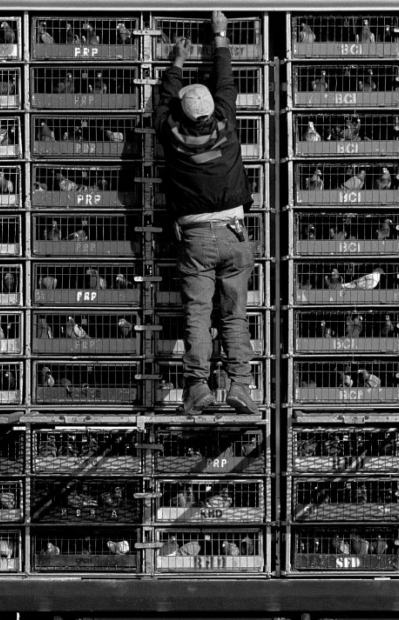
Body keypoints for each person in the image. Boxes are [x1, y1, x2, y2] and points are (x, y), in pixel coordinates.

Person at [155, 11, 258, 415]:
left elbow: (163, 101)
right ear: (214, 108)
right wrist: (220, 35)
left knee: (198, 313)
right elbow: (226, 79)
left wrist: (176, 63)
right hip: (234, 234)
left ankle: (197, 388)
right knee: (234, 314)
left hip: (196, 238)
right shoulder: (227, 124)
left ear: (182, 112)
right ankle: (241, 386)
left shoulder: (172, 134)